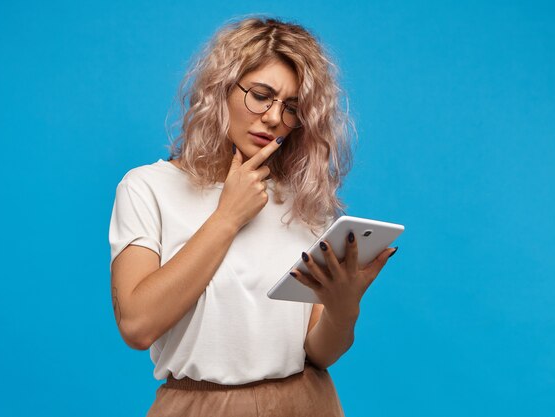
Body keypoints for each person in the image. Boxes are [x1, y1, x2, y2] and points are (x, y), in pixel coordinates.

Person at [109, 16, 398, 416]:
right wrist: (227, 217)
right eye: (261, 95)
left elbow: (318, 352)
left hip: (307, 402)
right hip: (201, 404)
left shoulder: (302, 199)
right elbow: (137, 325)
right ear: (221, 89)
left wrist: (344, 305)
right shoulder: (147, 188)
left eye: (292, 107)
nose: (275, 117)